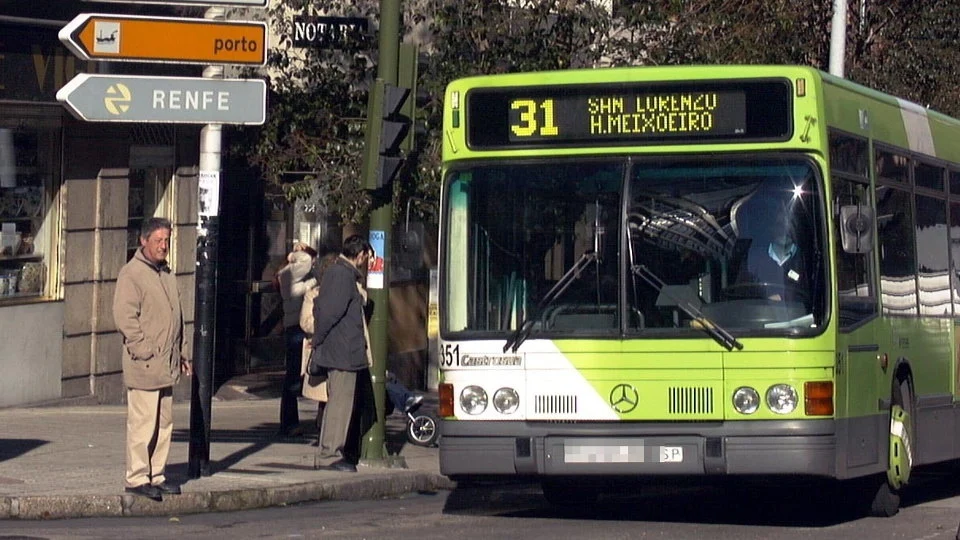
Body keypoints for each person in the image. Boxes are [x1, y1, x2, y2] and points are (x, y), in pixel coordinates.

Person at [112, 217, 191, 502]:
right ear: (143, 241)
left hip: (166, 363)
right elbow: (124, 317)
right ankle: (136, 477)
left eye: (167, 240)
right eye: (158, 240)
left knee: (164, 423)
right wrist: (143, 347)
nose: (163, 246)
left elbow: (177, 317)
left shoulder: (166, 273)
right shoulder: (132, 274)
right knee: (143, 423)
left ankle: (156, 475)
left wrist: (182, 352)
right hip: (145, 362)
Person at [311, 235, 374, 472]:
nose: (366, 261)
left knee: (340, 403)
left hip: (344, 350)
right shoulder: (341, 275)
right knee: (340, 404)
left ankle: (330, 451)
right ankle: (329, 454)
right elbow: (329, 312)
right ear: (359, 255)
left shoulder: (341, 274)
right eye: (366, 256)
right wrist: (318, 339)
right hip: (343, 352)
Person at [276, 242, 318, 437]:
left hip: (300, 328)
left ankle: (290, 421)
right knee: (294, 377)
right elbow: (308, 260)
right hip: (296, 329)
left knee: (302, 375)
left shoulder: (293, 275)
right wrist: (296, 250)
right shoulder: (288, 273)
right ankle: (289, 422)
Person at [300, 252, 338, 442]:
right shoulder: (313, 294)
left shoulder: (349, 291)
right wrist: (325, 323)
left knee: (338, 396)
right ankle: (324, 434)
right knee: (325, 397)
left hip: (341, 350)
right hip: (322, 350)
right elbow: (305, 322)